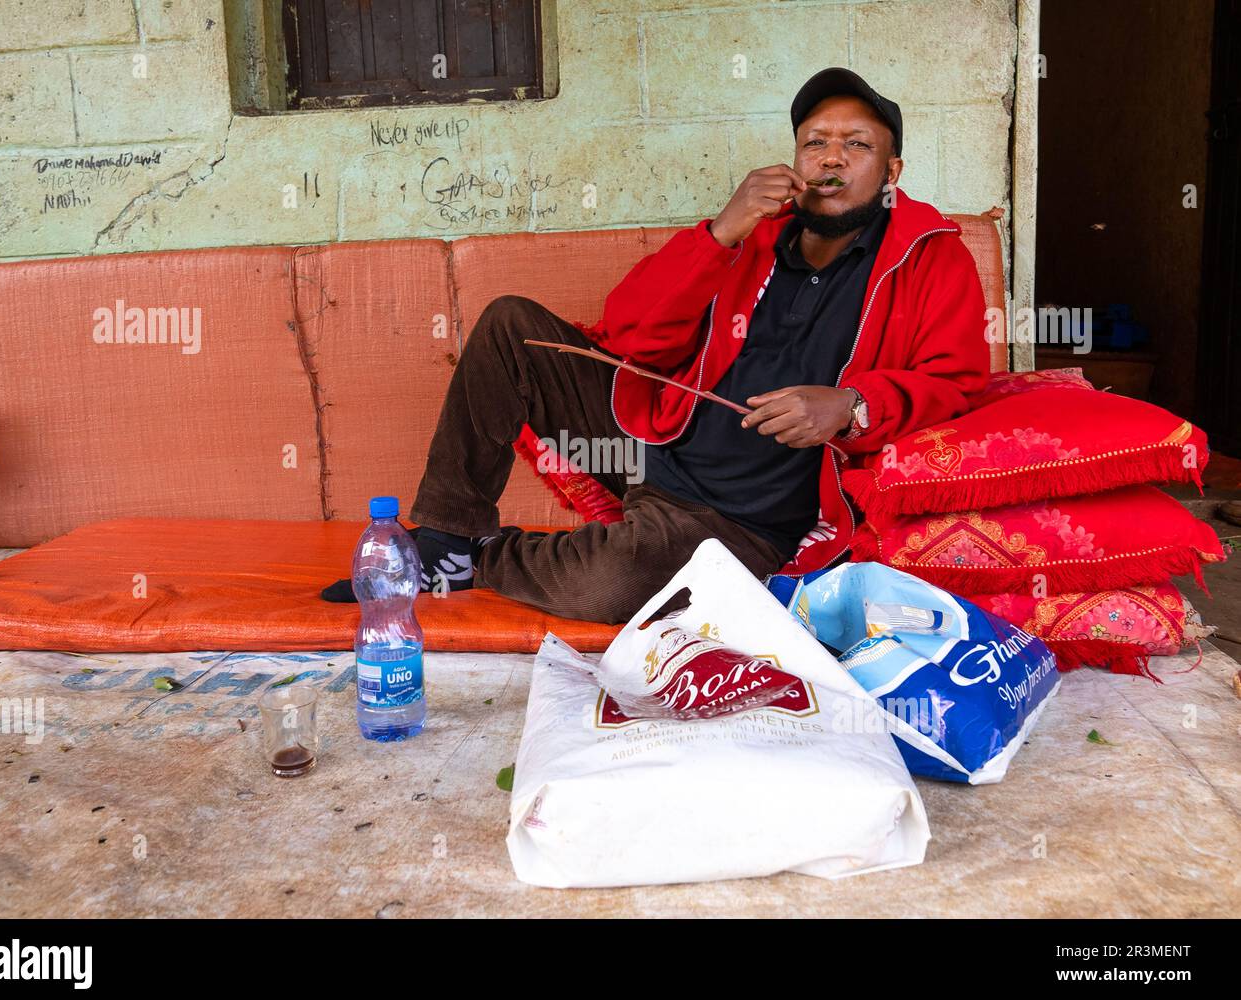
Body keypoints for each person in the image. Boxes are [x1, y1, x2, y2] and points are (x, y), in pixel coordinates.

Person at [324, 67, 990, 623]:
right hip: (650, 438)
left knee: (610, 582)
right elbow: (630, 331)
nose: (833, 157)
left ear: (891, 168)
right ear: (796, 161)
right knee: (510, 328)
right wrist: (721, 231)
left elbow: (957, 384)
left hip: (742, 517)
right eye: (815, 142)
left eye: (857, 145)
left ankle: (484, 557)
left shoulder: (929, 258)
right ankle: (445, 532)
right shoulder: (754, 232)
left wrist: (849, 405)